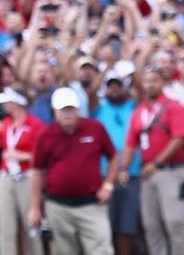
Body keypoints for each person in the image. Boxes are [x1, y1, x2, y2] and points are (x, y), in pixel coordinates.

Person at [30, 87, 118, 254]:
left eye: (70, 109)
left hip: (92, 204)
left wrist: (108, 185)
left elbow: (113, 157)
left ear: (77, 109)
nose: (67, 113)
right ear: (55, 111)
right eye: (62, 109)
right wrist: (35, 208)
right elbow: (37, 172)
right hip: (58, 206)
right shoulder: (46, 134)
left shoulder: (95, 128)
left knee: (101, 249)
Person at [117, 66, 184, 255]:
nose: (150, 85)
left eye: (154, 80)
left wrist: (157, 163)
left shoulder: (174, 106)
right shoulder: (140, 110)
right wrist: (124, 168)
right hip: (148, 174)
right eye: (147, 81)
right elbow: (130, 142)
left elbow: (180, 138)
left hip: (172, 170)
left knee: (175, 222)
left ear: (163, 83)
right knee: (151, 224)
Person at [93, 70, 140, 255]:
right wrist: (106, 69)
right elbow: (90, 92)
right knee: (105, 226)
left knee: (126, 227)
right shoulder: (98, 108)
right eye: (110, 86)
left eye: (117, 86)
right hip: (104, 175)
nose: (114, 90)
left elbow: (141, 90)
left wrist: (130, 69)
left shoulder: (133, 106)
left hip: (131, 174)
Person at [0, 87, 45, 255]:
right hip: (6, 176)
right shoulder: (6, 124)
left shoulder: (36, 125)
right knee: (5, 226)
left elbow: (42, 158)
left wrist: (23, 156)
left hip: (27, 178)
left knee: (31, 225)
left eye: (8, 101)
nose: (4, 104)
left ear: (17, 103)